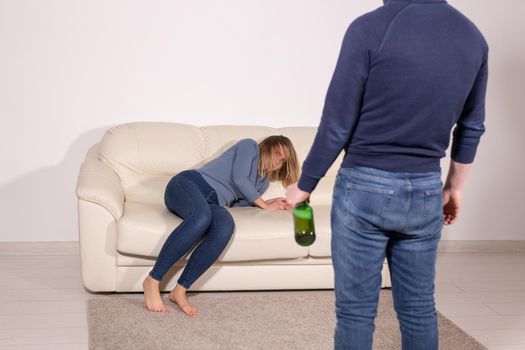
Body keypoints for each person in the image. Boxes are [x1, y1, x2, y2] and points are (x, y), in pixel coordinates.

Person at [286, 0, 488, 349]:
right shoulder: (473, 37)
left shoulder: (370, 27)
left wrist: (304, 186)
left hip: (364, 188)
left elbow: (337, 124)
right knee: (420, 311)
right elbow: (471, 126)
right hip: (426, 189)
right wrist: (453, 188)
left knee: (356, 314)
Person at [143, 135, 299, 316]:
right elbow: (240, 178)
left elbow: (241, 205)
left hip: (212, 203)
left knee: (225, 226)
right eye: (277, 153)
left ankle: (180, 290)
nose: (279, 160)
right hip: (188, 184)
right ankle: (153, 280)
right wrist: (264, 204)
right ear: (267, 147)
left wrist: (271, 201)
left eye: (283, 160)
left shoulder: (262, 184)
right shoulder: (249, 147)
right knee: (201, 217)